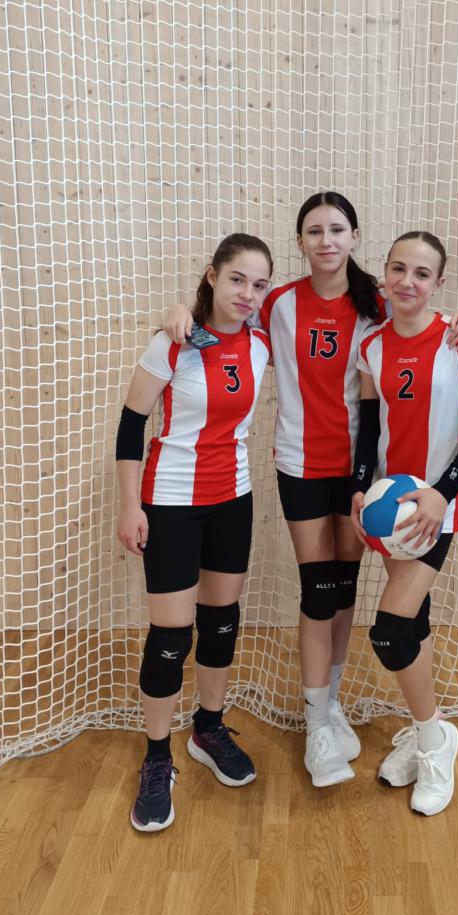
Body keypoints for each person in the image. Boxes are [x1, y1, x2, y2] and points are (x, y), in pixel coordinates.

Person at [163, 193, 458, 788]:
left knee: (344, 589)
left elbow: (424, 313)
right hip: (301, 465)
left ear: (355, 237)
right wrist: (182, 311)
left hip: (364, 475)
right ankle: (316, 722)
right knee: (319, 590)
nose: (326, 240)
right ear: (300, 242)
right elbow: (223, 324)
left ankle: (332, 704)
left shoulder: (376, 301)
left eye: (337, 230)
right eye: (314, 231)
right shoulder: (277, 302)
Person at [117, 233, 273, 831]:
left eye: (259, 284)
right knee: (170, 636)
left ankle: (208, 729)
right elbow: (130, 428)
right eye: (237, 279)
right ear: (212, 275)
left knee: (222, 621)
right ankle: (158, 758)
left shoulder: (260, 341)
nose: (248, 293)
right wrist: (130, 507)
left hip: (233, 500)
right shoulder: (172, 342)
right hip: (171, 504)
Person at [350, 231, 458, 816]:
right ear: (384, 273)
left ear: (439, 283)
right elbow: (368, 429)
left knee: (389, 631)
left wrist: (441, 493)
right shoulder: (371, 344)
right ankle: (423, 728)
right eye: (398, 269)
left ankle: (436, 739)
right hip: (390, 507)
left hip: (435, 508)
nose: (407, 281)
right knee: (416, 621)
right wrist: (360, 488)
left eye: (422, 273)